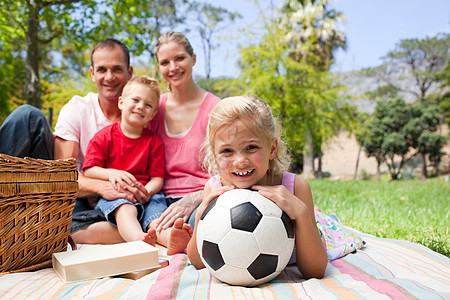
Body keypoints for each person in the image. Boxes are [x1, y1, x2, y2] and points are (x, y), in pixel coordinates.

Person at [186, 95, 328, 279]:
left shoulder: (295, 188)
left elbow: (315, 271)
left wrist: (301, 213)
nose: (240, 161)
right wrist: (200, 216)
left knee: (317, 221)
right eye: (227, 151)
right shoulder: (215, 188)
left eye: (251, 147)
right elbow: (197, 262)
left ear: (272, 148)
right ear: (214, 153)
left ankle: (315, 215)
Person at [82, 75, 192, 253]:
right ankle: (138, 241)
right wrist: (112, 174)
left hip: (146, 195)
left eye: (148, 105)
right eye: (135, 100)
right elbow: (89, 170)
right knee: (125, 209)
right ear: (121, 103)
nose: (141, 106)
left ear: (153, 114)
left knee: (157, 216)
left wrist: (146, 192)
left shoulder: (154, 142)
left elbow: (157, 179)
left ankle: (169, 238)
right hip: (117, 195)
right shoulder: (104, 136)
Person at [149, 31, 221, 232]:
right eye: (165, 62)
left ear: (193, 59)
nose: (173, 68)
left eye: (179, 58)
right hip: (159, 200)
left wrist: (194, 198)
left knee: (195, 228)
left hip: (201, 197)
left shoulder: (215, 108)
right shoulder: (154, 108)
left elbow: (228, 169)